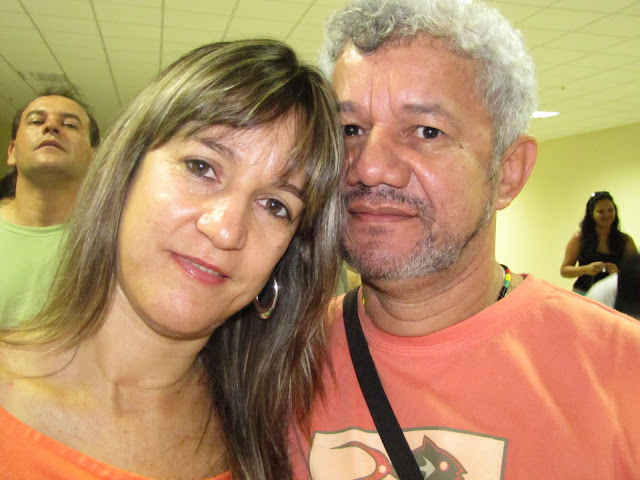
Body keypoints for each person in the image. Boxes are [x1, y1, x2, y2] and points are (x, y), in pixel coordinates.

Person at [289, 0, 640, 478]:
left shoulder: (621, 374)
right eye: (350, 129)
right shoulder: (276, 364)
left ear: (507, 173)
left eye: (426, 131)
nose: (369, 167)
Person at [0, 39, 343, 480]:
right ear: (125, 171)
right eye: (202, 167)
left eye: (275, 206)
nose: (226, 229)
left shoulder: (279, 443)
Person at [0, 88, 100, 327]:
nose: (51, 127)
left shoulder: (111, 244)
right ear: (12, 152)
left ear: (94, 158)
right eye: (36, 121)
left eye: (70, 125)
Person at [561, 191, 637, 294]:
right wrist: (586, 269)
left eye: (610, 210)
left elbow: (635, 273)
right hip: (584, 294)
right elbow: (564, 271)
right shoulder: (579, 238)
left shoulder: (626, 241)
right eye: (601, 211)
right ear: (591, 214)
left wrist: (618, 273)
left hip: (614, 296)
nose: (607, 215)